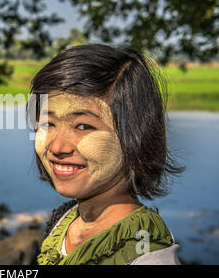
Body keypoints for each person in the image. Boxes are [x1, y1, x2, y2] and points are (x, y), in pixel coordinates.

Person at [30, 44, 185, 265]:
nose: (57, 146)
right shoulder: (65, 222)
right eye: (48, 123)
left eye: (83, 126)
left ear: (135, 136)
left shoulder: (146, 256)